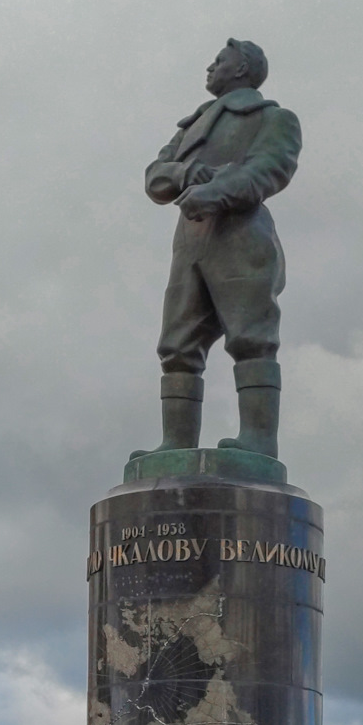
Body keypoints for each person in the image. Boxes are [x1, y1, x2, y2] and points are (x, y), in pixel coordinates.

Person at [136, 38, 300, 463]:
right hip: (191, 241)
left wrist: (216, 192)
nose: (210, 67)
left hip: (241, 237)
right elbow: (156, 177)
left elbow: (271, 169)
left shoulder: (273, 118)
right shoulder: (190, 126)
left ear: (243, 69)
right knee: (177, 346)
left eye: (219, 61)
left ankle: (259, 441)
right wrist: (188, 171)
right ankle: (176, 444)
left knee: (252, 338)